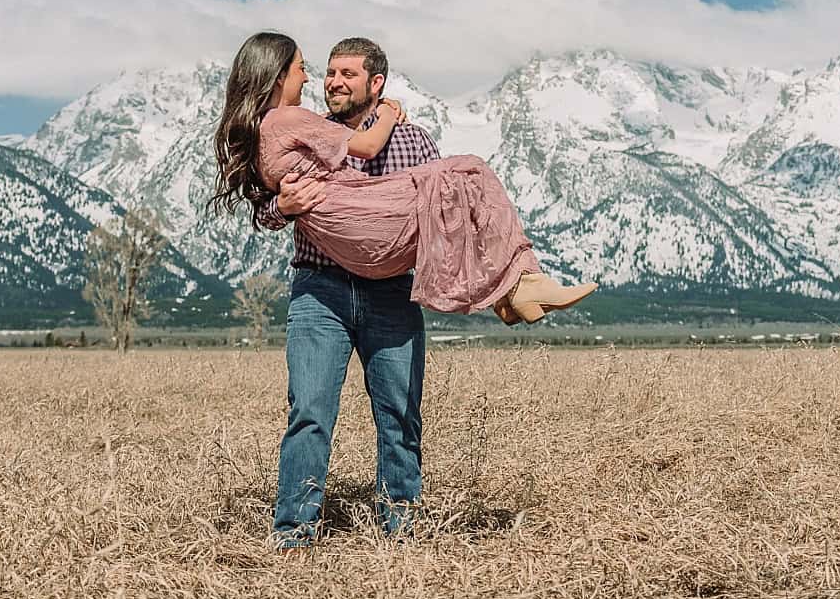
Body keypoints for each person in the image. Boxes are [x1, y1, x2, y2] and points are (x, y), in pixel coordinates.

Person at [210, 33, 595, 549]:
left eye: (347, 75)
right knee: (309, 410)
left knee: (399, 411)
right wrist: (284, 206)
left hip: (390, 290)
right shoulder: (306, 128)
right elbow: (263, 204)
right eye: (325, 71)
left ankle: (401, 527)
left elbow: (439, 220)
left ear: (377, 82)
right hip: (321, 288)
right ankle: (294, 533)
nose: (330, 81)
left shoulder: (412, 142)